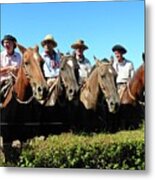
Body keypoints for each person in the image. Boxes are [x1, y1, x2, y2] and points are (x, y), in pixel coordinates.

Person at [0, 34, 22, 103]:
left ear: (13, 44)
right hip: (3, 81)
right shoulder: (1, 55)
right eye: (5, 42)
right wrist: (8, 68)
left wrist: (17, 70)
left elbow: (22, 70)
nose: (6, 44)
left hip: (16, 80)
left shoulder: (19, 56)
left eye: (8, 42)